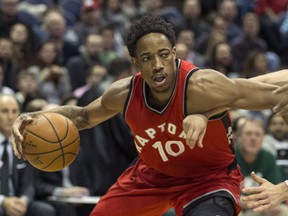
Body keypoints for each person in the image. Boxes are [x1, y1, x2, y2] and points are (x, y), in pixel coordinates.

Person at [10, 16, 288, 216]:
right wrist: (34, 114)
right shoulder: (123, 93)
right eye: (147, 58)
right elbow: (82, 117)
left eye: (164, 54)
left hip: (209, 179)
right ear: (136, 62)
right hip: (152, 175)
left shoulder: (203, 86)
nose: (157, 65)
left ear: (175, 54)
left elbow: (271, 94)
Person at [0, 93, 56, 216]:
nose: (10, 117)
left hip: (17, 202)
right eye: (4, 111)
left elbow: (28, 183)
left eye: (14, 112)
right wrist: (3, 201)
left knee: (45, 211)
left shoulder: (25, 143)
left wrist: (24, 200)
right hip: (2, 201)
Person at [235, 117, 288, 216]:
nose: (253, 138)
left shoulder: (269, 157)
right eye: (248, 134)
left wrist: (270, 205)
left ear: (263, 138)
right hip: (237, 206)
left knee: (283, 211)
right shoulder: (230, 156)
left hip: (261, 206)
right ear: (239, 137)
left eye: (257, 134)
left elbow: (275, 190)